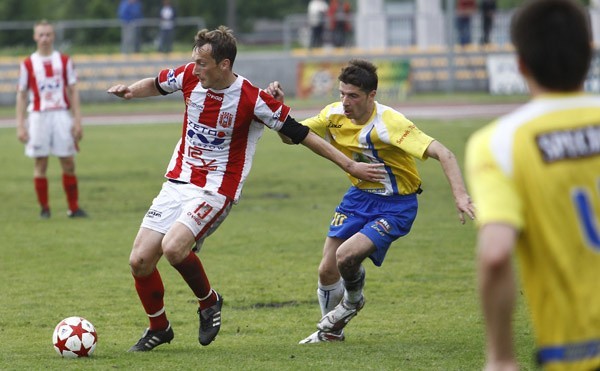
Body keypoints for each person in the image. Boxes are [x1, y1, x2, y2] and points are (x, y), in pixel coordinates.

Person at [106, 26, 384, 352]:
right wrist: (130, 92)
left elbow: (300, 134)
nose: (195, 69)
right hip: (178, 182)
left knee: (174, 248)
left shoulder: (252, 98)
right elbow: (156, 83)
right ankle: (159, 327)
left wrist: (350, 165)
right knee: (139, 260)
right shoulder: (189, 76)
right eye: (193, 62)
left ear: (224, 65)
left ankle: (209, 302)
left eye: (202, 63)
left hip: (216, 189)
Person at [267, 59, 475, 344]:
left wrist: (461, 195)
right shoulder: (333, 115)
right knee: (327, 269)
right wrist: (280, 110)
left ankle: (352, 302)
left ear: (371, 96)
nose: (345, 101)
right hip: (359, 197)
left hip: (397, 204)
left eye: (352, 95)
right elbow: (291, 138)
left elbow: (444, 153)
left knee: (346, 257)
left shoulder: (390, 123)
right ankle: (331, 334)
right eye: (341, 93)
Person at [465, 0, 600, 369]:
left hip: (578, 353)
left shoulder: (499, 143)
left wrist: (501, 356)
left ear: (520, 63)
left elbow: (495, 255)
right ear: (589, 55)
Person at [15, 20, 86, 219]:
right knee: (41, 162)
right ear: (35, 37)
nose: (45, 38)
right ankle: (44, 209)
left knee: (68, 161)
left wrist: (77, 121)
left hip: (61, 115)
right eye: (41, 35)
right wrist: (20, 124)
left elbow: (73, 91)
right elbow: (21, 95)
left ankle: (73, 208)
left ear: (53, 36)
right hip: (38, 116)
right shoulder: (28, 64)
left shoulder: (64, 61)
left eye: (48, 34)